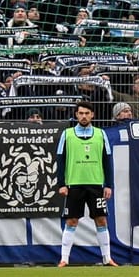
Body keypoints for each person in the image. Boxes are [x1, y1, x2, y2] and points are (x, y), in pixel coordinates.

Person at [56, 101, 116, 267]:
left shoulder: (100, 134)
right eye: (81, 113)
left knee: (101, 220)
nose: (84, 116)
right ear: (76, 115)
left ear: (92, 115)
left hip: (95, 184)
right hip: (74, 184)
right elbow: (60, 160)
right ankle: (64, 259)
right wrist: (61, 183)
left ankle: (107, 258)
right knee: (71, 221)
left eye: (87, 113)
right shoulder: (67, 134)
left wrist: (108, 184)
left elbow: (107, 161)